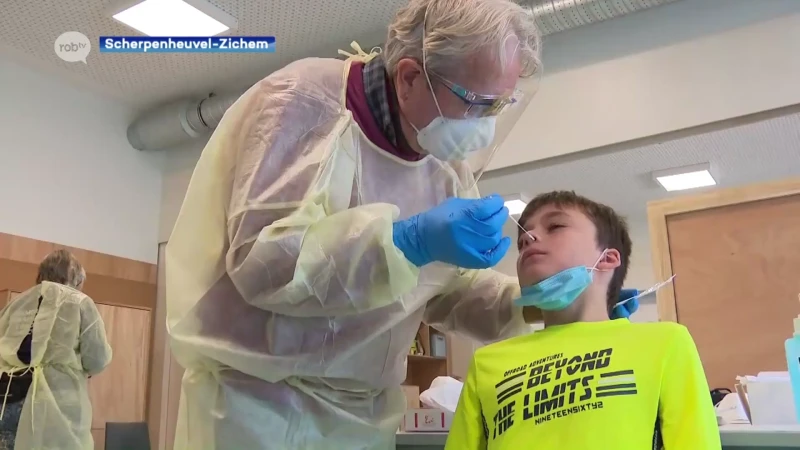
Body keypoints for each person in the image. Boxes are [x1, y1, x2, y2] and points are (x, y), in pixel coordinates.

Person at [165, 0, 548, 448]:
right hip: (256, 403)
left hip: (363, 415)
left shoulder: (446, 167)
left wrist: (535, 304)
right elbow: (264, 263)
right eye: (477, 102)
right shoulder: (302, 104)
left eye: (500, 104)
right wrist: (406, 242)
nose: (485, 124)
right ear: (409, 77)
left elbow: (443, 290)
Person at [445, 191, 721, 450]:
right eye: (521, 241)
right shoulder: (487, 362)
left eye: (555, 227)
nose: (528, 238)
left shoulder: (666, 343)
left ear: (608, 258)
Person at [0, 250, 112, 450]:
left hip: (7, 398)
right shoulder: (79, 302)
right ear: (75, 279)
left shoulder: (17, 303)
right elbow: (97, 358)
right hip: (54, 406)